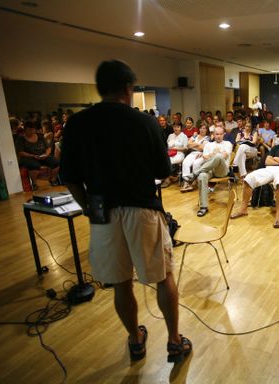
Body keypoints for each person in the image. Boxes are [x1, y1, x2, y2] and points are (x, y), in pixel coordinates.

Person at [60, 60, 191, 363]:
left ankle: (135, 339)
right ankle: (173, 341)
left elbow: (69, 176)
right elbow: (162, 170)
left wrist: (89, 208)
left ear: (100, 88)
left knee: (120, 282)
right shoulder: (143, 122)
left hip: (102, 212)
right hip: (141, 209)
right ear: (129, 88)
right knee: (162, 277)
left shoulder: (77, 123)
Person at [230, 125, 279, 228]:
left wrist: (276, 159)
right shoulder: (276, 147)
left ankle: (278, 215)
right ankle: (243, 209)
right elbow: (267, 161)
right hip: (269, 169)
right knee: (249, 178)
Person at [187, 126, 233, 217]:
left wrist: (213, 155)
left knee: (219, 157)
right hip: (210, 170)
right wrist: (213, 156)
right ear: (213, 135)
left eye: (220, 134)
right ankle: (203, 207)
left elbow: (223, 156)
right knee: (202, 176)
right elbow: (205, 158)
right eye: (217, 134)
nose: (219, 136)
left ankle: (196, 173)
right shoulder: (208, 145)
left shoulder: (228, 144)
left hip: (222, 170)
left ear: (223, 135)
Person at [15, 119, 60, 187]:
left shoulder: (40, 136)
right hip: (29, 158)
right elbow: (21, 152)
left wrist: (46, 154)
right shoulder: (21, 139)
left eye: (33, 129)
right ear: (25, 130)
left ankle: (53, 180)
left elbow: (48, 148)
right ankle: (34, 183)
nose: (32, 131)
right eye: (30, 130)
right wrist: (33, 156)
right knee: (34, 165)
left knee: (56, 163)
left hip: (42, 156)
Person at [180, 124, 210, 192]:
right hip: (193, 153)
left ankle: (194, 182)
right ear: (199, 129)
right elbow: (188, 145)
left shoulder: (207, 138)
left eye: (204, 128)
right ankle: (186, 182)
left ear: (206, 130)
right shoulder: (195, 135)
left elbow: (203, 148)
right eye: (201, 128)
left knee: (196, 163)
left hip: (201, 154)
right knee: (185, 163)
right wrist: (198, 144)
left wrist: (194, 144)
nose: (202, 130)